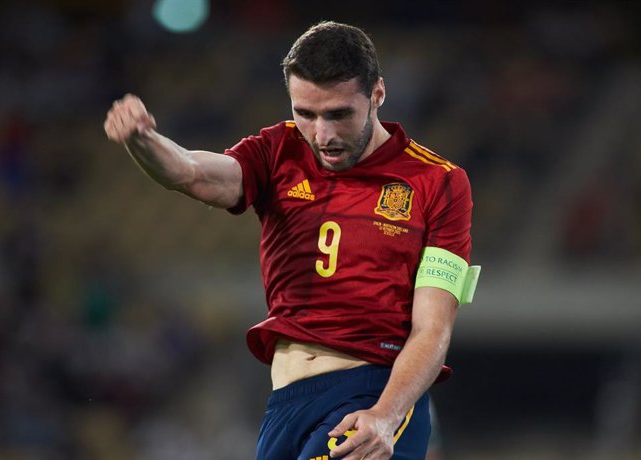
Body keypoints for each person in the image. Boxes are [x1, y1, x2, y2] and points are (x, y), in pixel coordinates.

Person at [104, 21, 476, 460]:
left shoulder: (438, 183)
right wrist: (142, 141)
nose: (322, 135)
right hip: (285, 407)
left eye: (338, 114)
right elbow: (191, 172)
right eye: (306, 114)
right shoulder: (278, 151)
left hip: (369, 397)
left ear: (377, 94)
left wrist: (386, 414)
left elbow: (434, 328)